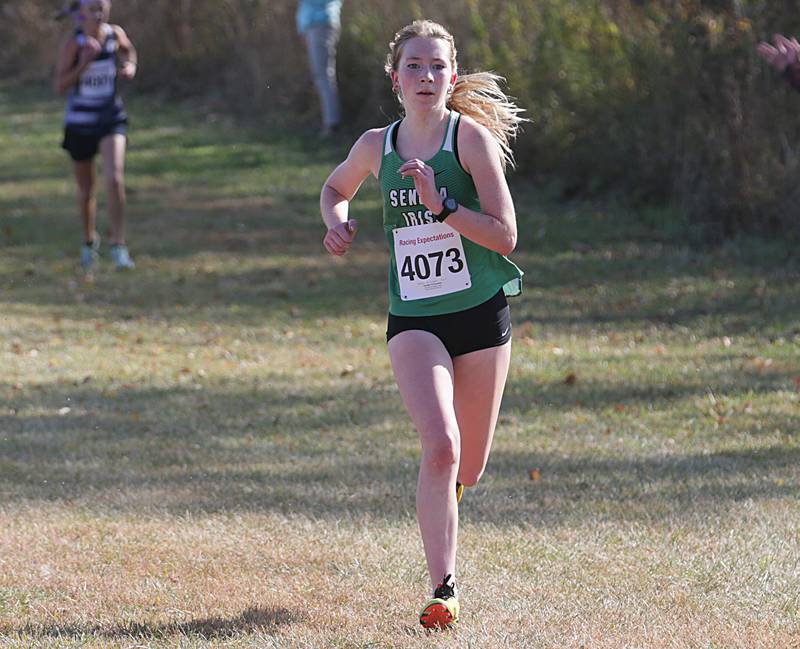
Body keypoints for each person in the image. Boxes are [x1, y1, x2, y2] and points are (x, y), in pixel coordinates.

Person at [318, 19, 524, 629]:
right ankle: (444, 587)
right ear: (395, 78)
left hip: (481, 314)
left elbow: (507, 235)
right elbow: (334, 187)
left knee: (472, 466)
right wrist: (337, 220)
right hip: (413, 319)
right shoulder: (374, 146)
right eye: (414, 66)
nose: (426, 77)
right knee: (441, 447)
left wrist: (444, 206)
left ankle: (449, 509)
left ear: (452, 76)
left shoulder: (470, 143)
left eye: (437, 66)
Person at [54, 0, 137, 271]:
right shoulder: (74, 43)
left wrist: (129, 66)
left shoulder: (115, 34)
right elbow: (60, 85)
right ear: (82, 13)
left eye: (102, 8)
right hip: (80, 122)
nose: (99, 14)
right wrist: (84, 63)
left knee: (114, 178)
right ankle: (89, 243)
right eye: (93, 9)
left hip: (111, 118)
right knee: (86, 189)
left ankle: (119, 246)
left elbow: (129, 53)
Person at [296, 0, 342, 136]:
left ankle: (332, 125)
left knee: (323, 76)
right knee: (321, 76)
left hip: (320, 24)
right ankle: (328, 122)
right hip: (314, 26)